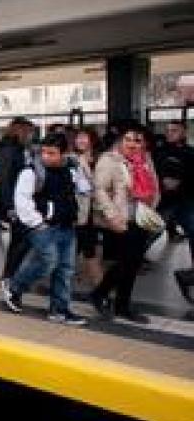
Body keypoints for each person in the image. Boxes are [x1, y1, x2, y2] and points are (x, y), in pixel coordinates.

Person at [2, 134, 87, 325]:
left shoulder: (72, 167)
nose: (46, 157)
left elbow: (84, 189)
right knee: (49, 261)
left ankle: (59, 310)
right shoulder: (32, 171)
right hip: (42, 226)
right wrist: (37, 223)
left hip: (67, 225)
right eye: (44, 152)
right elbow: (21, 200)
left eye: (52, 153)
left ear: (64, 153)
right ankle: (14, 287)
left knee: (65, 269)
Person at [89, 123, 160, 323]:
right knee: (126, 261)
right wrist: (111, 215)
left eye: (136, 140)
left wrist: (152, 205)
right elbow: (100, 190)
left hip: (142, 217)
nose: (132, 144)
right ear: (120, 140)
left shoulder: (145, 158)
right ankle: (101, 294)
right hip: (121, 218)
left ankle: (121, 305)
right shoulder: (109, 159)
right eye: (127, 139)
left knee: (133, 263)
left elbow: (154, 183)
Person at [153, 120, 194, 300]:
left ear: (183, 132)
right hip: (163, 204)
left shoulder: (191, 153)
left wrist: (181, 182)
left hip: (185, 201)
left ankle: (189, 276)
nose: (170, 133)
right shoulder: (159, 152)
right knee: (145, 239)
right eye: (168, 130)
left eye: (174, 130)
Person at [0, 118, 35, 230]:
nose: (31, 136)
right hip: (14, 202)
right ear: (20, 131)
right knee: (18, 240)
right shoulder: (8, 150)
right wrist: (10, 207)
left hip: (19, 199)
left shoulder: (18, 148)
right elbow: (4, 180)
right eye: (29, 132)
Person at [73, 127, 103, 287]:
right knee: (89, 249)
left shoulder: (100, 159)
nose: (80, 141)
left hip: (96, 210)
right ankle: (101, 288)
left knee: (83, 247)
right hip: (80, 210)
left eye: (84, 137)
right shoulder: (73, 159)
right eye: (78, 138)